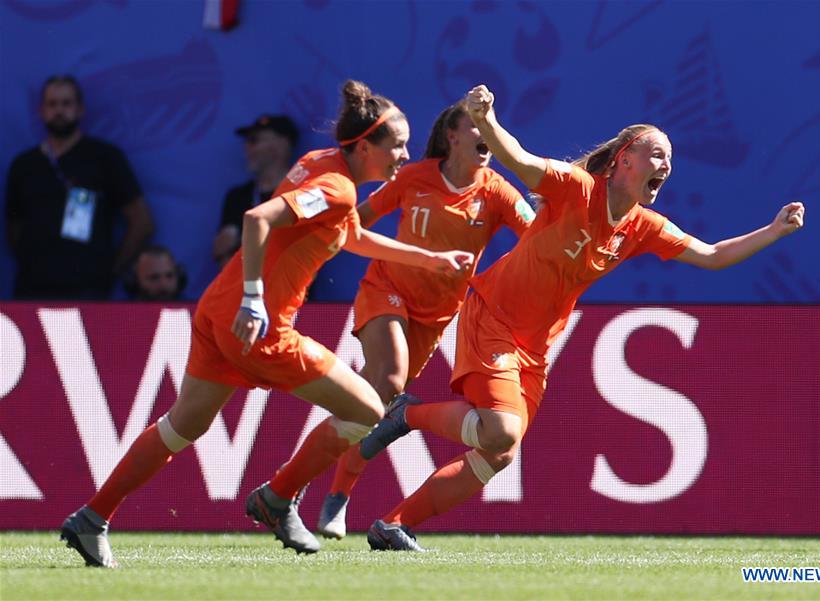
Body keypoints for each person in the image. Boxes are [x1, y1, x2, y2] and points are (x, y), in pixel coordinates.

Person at [358, 84, 806, 552]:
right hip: (492, 316)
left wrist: (774, 231)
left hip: (534, 345)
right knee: (501, 429)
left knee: (500, 454)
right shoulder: (576, 188)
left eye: (670, 159)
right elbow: (521, 162)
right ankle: (407, 413)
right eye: (656, 155)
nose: (666, 166)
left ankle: (393, 524)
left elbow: (712, 255)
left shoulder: (640, 226)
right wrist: (487, 121)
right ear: (623, 161)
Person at [59, 80, 474, 568]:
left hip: (218, 312)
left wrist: (430, 260)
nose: (405, 155)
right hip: (260, 329)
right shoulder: (336, 187)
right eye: (397, 146)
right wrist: (255, 301)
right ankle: (278, 498)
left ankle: (93, 517)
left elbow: (351, 235)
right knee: (369, 409)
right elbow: (258, 219)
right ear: (364, 146)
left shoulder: (324, 164)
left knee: (180, 428)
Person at [305, 101, 536, 540]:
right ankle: (320, 494)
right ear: (452, 136)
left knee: (373, 409)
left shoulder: (497, 192)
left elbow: (538, 238)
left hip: (436, 316)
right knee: (389, 381)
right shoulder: (414, 178)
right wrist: (316, 245)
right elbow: (359, 219)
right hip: (386, 290)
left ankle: (338, 492)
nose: (486, 131)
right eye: (476, 125)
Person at [4, 74, 154, 299]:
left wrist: (110, 269)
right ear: (41, 110)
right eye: (52, 104)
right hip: (32, 287)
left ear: (80, 109)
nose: (59, 111)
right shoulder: (24, 164)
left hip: (88, 288)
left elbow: (142, 221)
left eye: (66, 103)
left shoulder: (105, 157)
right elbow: (14, 228)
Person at [213, 114, 299, 268]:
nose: (247, 148)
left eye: (254, 140)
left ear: (281, 144)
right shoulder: (238, 196)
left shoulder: (302, 193)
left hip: (289, 287)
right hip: (246, 289)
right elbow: (222, 253)